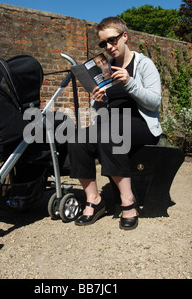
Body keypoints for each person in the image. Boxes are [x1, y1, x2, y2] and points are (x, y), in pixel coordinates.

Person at [68, 17, 163, 230]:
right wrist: (98, 101)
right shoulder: (105, 69)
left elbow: (154, 101)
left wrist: (129, 82)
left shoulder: (143, 64)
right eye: (103, 44)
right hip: (111, 123)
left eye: (112, 40)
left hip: (141, 124)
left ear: (125, 36)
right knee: (77, 139)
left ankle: (128, 202)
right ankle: (94, 200)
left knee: (112, 133)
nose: (108, 47)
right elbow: (99, 111)